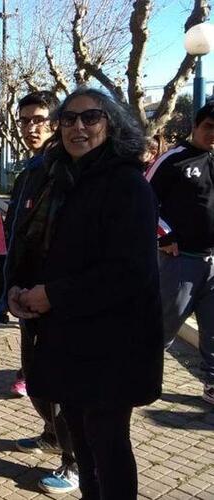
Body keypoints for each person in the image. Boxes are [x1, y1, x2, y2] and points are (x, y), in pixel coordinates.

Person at [8, 88, 163, 499]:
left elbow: (130, 272)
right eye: (69, 119)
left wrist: (52, 295)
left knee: (108, 448)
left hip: (114, 345)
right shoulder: (62, 179)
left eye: (91, 117)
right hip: (70, 340)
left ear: (110, 125)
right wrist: (19, 289)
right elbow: (40, 246)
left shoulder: (126, 184)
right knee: (84, 446)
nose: (79, 126)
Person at [0, 91, 79, 495]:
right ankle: (52, 436)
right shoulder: (32, 169)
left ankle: (76, 461)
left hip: (58, 299)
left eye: (40, 119)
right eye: (25, 120)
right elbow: (20, 232)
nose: (32, 127)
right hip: (28, 293)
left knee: (61, 384)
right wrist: (11, 284)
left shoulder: (65, 168)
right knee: (35, 376)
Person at [145, 103, 214, 404]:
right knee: (164, 325)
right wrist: (164, 236)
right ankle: (139, 373)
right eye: (209, 126)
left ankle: (212, 383)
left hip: (212, 261)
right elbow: (143, 200)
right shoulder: (173, 160)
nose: (213, 134)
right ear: (196, 126)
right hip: (179, 261)